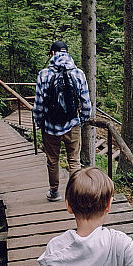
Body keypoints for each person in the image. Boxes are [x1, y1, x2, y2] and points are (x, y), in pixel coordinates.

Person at [33, 41, 92, 201]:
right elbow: (86, 103)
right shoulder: (78, 73)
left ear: (52, 54)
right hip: (72, 124)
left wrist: (39, 122)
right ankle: (75, 194)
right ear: (67, 53)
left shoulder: (44, 74)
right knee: (74, 160)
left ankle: (54, 192)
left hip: (50, 126)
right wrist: (81, 120)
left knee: (53, 160)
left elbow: (38, 104)